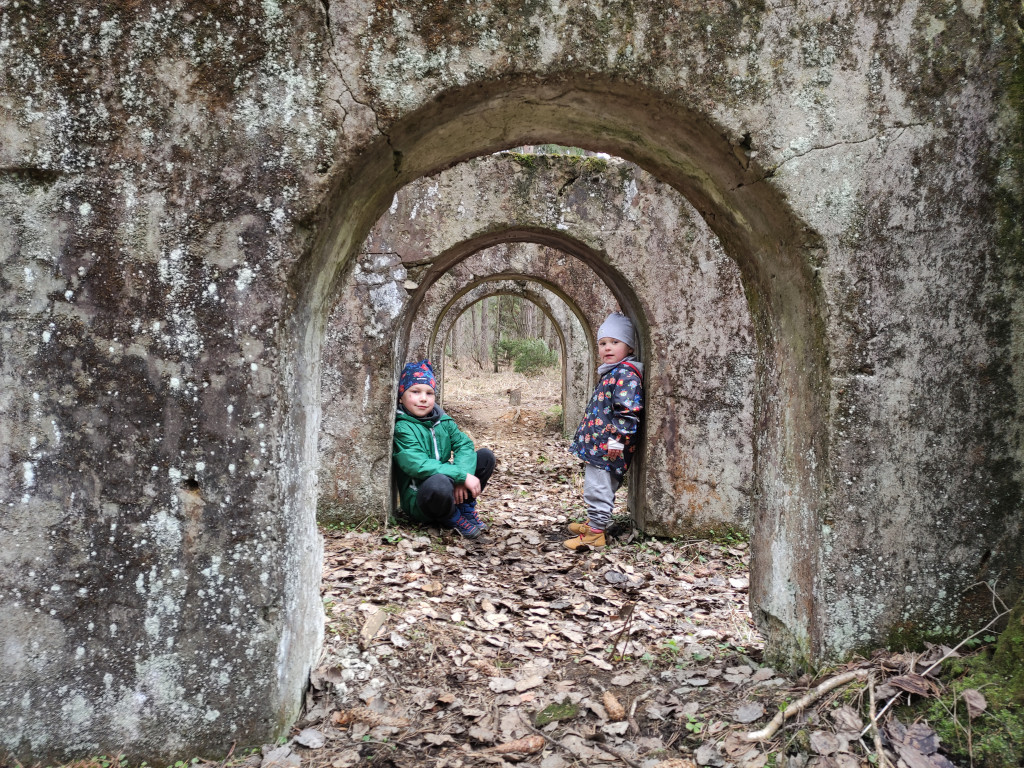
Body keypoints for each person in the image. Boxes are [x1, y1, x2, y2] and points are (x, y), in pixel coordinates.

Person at [565, 312, 644, 549]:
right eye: (602, 343)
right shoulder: (613, 371)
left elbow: (627, 413)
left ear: (629, 347)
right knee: (597, 485)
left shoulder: (626, 375)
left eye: (615, 342)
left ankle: (595, 533)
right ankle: (593, 522)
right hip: (599, 444)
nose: (607, 348)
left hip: (609, 446)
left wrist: (616, 442)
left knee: (598, 487)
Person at [392, 359, 495, 539]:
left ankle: (464, 507)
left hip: (448, 484)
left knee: (485, 457)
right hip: (422, 497)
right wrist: (460, 476)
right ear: (402, 396)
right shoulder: (403, 428)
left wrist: (462, 477)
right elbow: (417, 464)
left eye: (429, 393)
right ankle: (451, 517)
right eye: (415, 392)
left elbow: (464, 445)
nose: (423, 398)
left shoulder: (443, 421)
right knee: (438, 482)